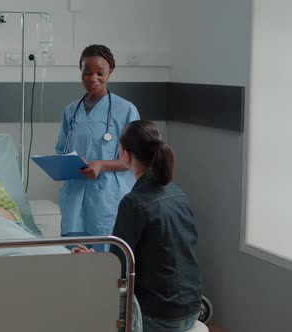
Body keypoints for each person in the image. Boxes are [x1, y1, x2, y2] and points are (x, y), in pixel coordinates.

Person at [77, 120, 202, 332]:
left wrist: (91, 260)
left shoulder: (134, 203)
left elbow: (116, 270)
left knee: (87, 305)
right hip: (192, 308)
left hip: (159, 318)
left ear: (126, 155)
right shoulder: (178, 194)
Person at [55, 44, 140, 251]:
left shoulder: (126, 110)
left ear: (110, 71)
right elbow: (61, 151)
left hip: (106, 199)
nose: (93, 78)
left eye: (100, 73)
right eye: (87, 72)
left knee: (106, 262)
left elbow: (136, 159)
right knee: (75, 258)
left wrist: (101, 164)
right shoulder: (71, 111)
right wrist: (62, 164)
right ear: (81, 73)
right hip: (75, 198)